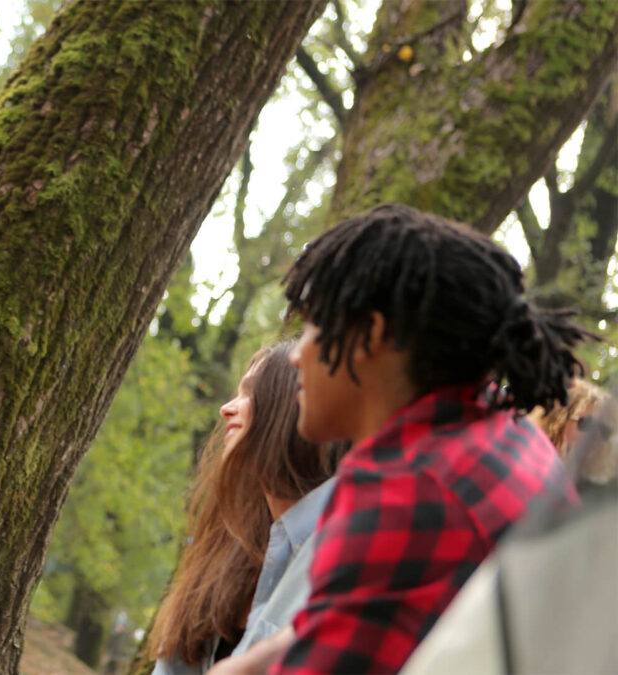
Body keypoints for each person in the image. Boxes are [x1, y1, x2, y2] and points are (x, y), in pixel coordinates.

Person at [214, 204, 587, 674]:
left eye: (313, 327)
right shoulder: (502, 435)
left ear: (369, 335)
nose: (297, 356)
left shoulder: (407, 487)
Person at [149, 343, 346, 673]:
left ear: (295, 402)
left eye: (250, 394)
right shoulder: (227, 545)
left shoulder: (342, 547)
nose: (227, 409)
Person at [529, 378, 616, 484]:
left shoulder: (603, 487)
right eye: (586, 423)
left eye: (604, 429)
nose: (596, 434)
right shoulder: (525, 464)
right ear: (559, 420)